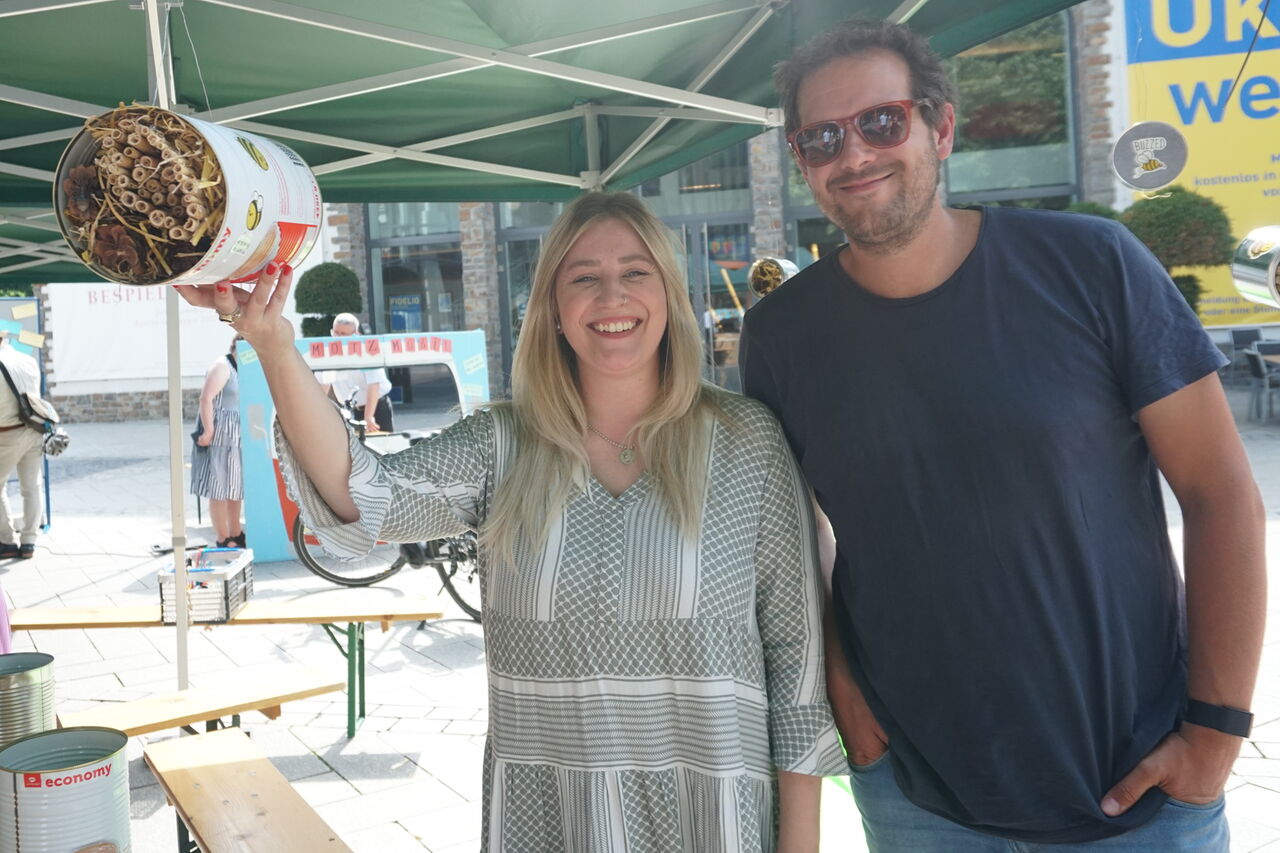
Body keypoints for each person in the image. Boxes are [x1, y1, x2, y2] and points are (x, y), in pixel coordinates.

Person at [739, 18, 1267, 852]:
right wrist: (840, 681)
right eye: (821, 137)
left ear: (941, 127)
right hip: (919, 793)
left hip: (1136, 791)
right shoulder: (778, 337)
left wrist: (1215, 730)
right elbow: (793, 534)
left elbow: (1219, 491)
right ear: (802, 162)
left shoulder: (1095, 264)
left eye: (881, 122)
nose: (855, 153)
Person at [177, 197, 846, 852]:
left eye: (636, 272)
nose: (612, 295)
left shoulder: (745, 441)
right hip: (551, 820)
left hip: (716, 823)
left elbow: (798, 668)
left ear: (668, 294)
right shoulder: (504, 445)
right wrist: (271, 342)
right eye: (584, 277)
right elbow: (363, 494)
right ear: (554, 311)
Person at [190, 334, 244, 548]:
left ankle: (236, 532)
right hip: (221, 435)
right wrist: (209, 431)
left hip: (237, 436)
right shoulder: (222, 366)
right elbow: (205, 398)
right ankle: (223, 538)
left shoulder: (243, 367)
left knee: (235, 487)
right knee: (219, 488)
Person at [0, 335, 44, 559]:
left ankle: (6, 541)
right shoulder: (27, 360)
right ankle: (29, 541)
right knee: (32, 486)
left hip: (6, 433)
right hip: (33, 428)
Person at [318, 312, 394, 431]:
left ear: (356, 334)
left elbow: (374, 385)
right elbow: (324, 386)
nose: (338, 338)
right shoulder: (328, 353)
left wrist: (368, 417)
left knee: (383, 445)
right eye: (335, 333)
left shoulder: (366, 351)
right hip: (351, 409)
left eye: (343, 334)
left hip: (376, 407)